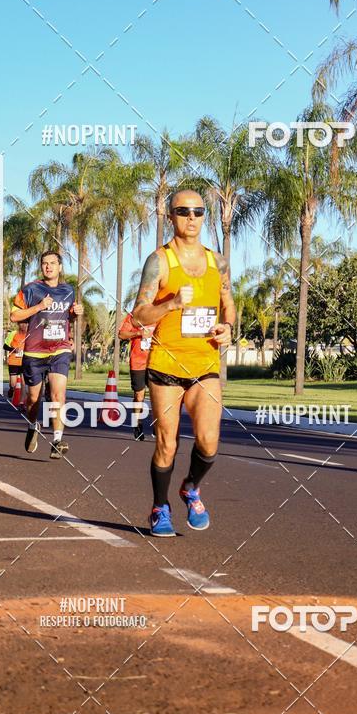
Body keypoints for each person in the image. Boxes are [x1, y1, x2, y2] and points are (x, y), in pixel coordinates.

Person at [132, 189, 235, 537]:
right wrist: (171, 304)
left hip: (205, 362)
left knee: (208, 440)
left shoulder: (217, 261)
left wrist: (228, 328)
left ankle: (191, 487)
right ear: (171, 216)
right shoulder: (159, 261)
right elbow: (140, 311)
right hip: (166, 364)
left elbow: (228, 302)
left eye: (198, 211)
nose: (191, 218)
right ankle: (160, 507)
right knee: (168, 442)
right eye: (183, 211)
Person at [10, 251, 83, 459]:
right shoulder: (31, 289)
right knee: (33, 399)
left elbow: (68, 319)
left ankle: (57, 440)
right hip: (34, 351)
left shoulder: (68, 290)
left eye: (53, 263)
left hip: (60, 349)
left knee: (58, 395)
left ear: (60, 267)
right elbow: (14, 315)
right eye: (44, 263)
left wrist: (75, 314)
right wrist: (39, 306)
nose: (48, 267)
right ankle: (33, 425)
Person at [118, 313, 155, 440]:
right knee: (139, 396)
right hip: (138, 362)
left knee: (158, 395)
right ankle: (137, 424)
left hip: (157, 362)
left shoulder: (162, 314)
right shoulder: (134, 316)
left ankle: (158, 425)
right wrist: (139, 333)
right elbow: (121, 334)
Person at [4, 322, 28, 405]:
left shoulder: (30, 334)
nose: (24, 325)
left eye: (25, 324)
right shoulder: (13, 333)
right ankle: (11, 389)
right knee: (13, 384)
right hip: (13, 361)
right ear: (18, 324)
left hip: (25, 361)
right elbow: (5, 346)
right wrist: (13, 349)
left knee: (24, 384)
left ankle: (21, 403)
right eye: (21, 324)